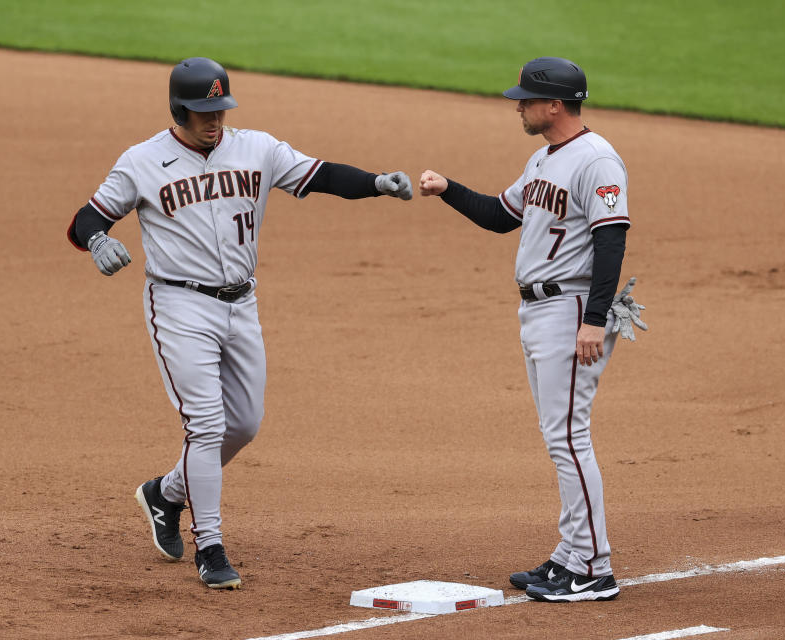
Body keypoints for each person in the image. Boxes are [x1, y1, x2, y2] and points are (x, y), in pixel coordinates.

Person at [66, 57, 413, 590]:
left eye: (220, 108)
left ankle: (166, 494)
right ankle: (211, 546)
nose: (215, 120)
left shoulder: (258, 148)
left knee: (244, 424)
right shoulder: (141, 161)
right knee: (205, 425)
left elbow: (321, 175)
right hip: (180, 307)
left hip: (241, 304)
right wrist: (98, 240)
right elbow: (87, 216)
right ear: (178, 109)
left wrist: (377, 182)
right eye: (204, 111)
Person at [419, 57, 646, 602]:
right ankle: (571, 555)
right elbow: (502, 215)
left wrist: (593, 320)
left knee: (568, 437)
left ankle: (594, 567)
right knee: (559, 437)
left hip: (572, 310)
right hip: (541, 311)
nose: (517, 106)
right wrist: (448, 187)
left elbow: (612, 238)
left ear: (556, 105)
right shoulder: (543, 158)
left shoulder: (598, 161)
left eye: (525, 99)